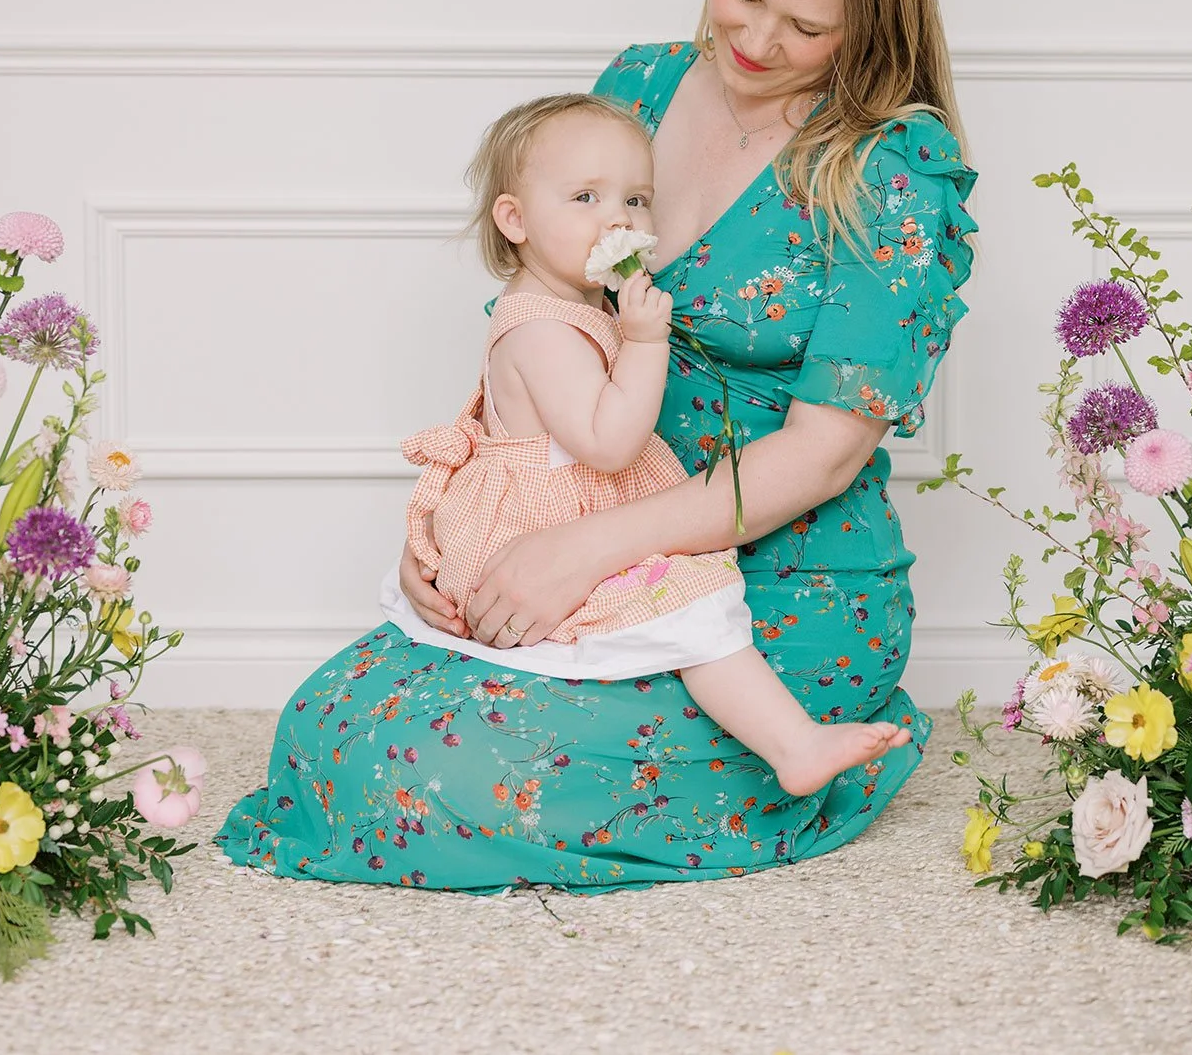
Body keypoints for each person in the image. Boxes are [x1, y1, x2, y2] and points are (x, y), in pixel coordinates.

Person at [218, 0, 977, 890]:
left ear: (870, 22)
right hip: (587, 533)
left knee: (418, 776)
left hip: (775, 590)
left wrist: (579, 554)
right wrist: (450, 525)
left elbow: (819, 456)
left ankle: (801, 741)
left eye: (805, 24)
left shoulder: (883, 171)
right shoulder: (638, 91)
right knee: (331, 730)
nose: (754, 39)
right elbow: (540, 319)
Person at [380, 91, 914, 796]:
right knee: (693, 604)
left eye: (636, 200)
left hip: (582, 516)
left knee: (694, 605)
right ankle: (793, 744)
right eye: (585, 197)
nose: (618, 220)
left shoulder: (575, 303)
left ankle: (792, 742)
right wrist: (643, 339)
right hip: (546, 527)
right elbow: (608, 443)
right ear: (516, 219)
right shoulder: (542, 327)